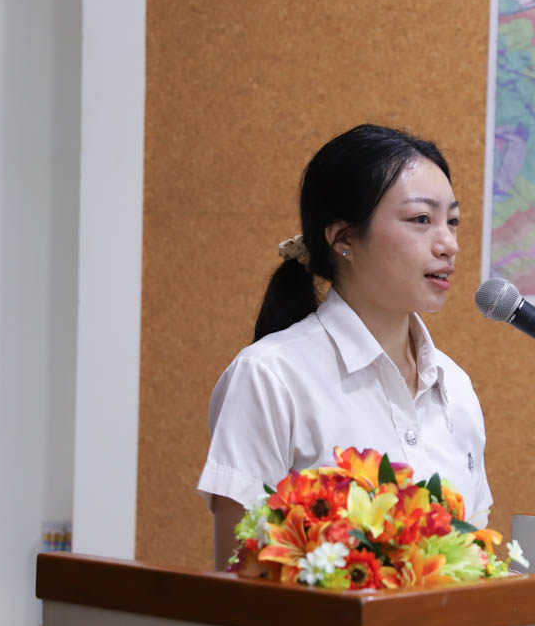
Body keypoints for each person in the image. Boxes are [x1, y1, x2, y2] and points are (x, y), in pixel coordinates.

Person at [198, 124, 492, 570]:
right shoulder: (269, 376)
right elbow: (237, 577)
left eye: (452, 221)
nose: (448, 244)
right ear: (343, 238)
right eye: (421, 220)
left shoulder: (457, 387)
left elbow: (478, 564)